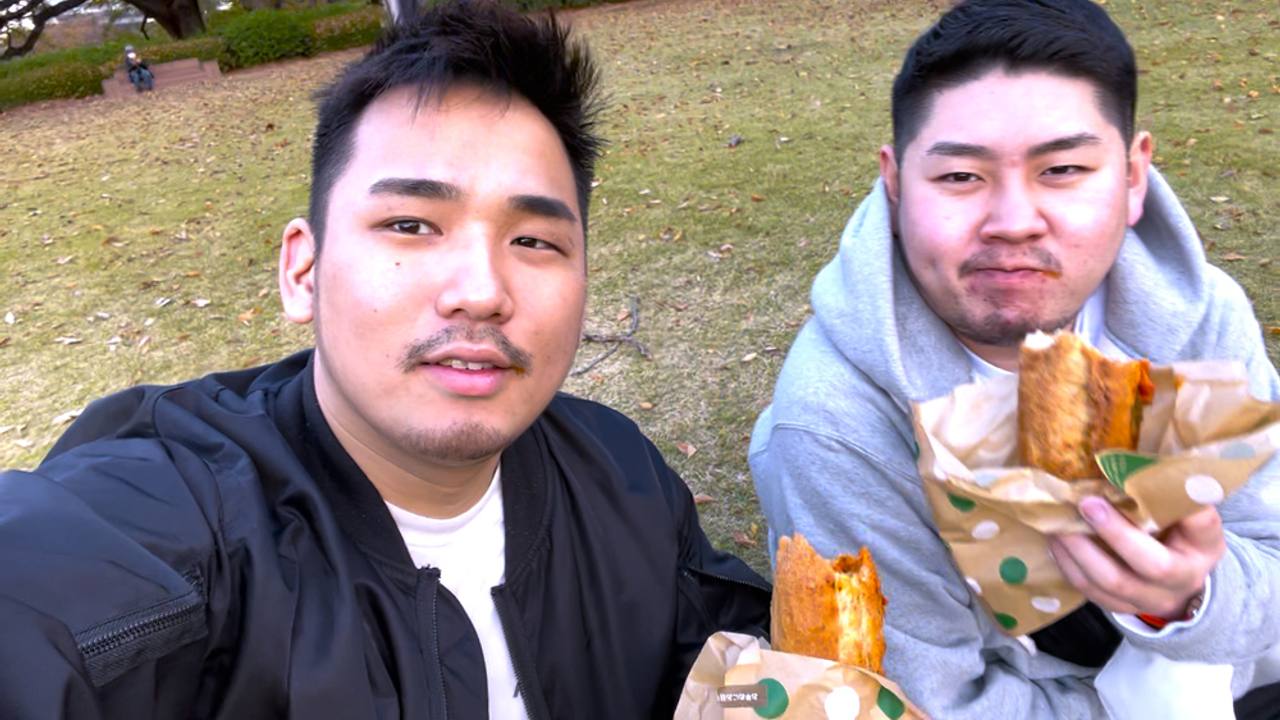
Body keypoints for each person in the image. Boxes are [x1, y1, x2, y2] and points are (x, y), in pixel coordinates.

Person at [0, 3, 769, 717]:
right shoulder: (181, 522)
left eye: (534, 240)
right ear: (303, 271)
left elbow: (724, 661)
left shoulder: (620, 477)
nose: (481, 291)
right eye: (411, 224)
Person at [749, 0, 1280, 717]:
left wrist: (1193, 599)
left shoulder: (1200, 319)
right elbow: (926, 701)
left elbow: (1270, 557)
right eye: (960, 177)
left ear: (1132, 177)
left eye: (1062, 169)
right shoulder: (834, 426)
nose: (1012, 223)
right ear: (896, 182)